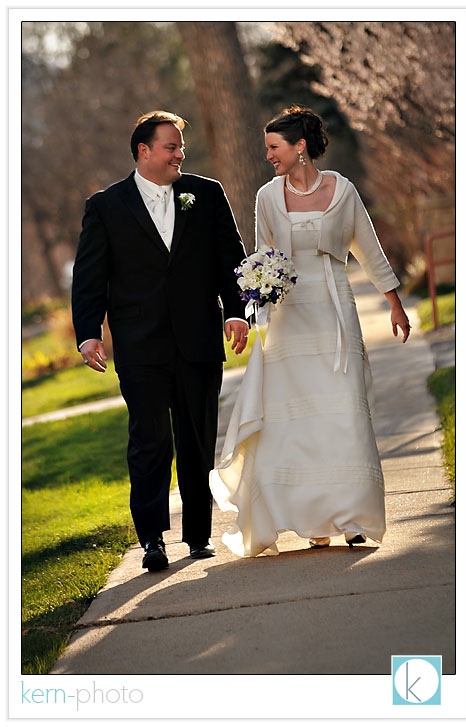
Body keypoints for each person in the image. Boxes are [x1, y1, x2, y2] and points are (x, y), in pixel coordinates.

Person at [210, 104, 411, 557]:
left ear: (300, 147)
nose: (268, 156)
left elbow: (369, 249)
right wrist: (255, 302)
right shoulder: (266, 197)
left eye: (274, 148)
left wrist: (393, 302)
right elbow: (263, 254)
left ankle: (354, 517)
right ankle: (312, 521)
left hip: (335, 309)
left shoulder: (343, 190)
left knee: (344, 413)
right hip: (288, 318)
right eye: (266, 149)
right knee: (297, 420)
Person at [71, 110, 249, 571]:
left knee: (196, 439)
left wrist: (235, 312)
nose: (180, 155)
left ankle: (198, 536)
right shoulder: (106, 206)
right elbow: (90, 277)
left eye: (181, 147)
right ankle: (151, 538)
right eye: (171, 147)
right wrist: (89, 334)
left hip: (198, 340)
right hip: (139, 345)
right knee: (149, 442)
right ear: (143, 151)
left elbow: (231, 257)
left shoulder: (205, 195)